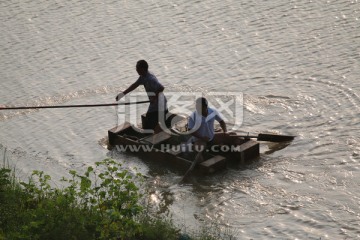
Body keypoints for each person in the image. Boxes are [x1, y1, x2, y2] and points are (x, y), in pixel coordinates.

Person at [115, 60, 168, 131]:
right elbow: (135, 85)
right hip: (154, 104)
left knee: (149, 124)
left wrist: (154, 98)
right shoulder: (143, 77)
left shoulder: (150, 79)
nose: (136, 70)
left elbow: (161, 88)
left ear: (142, 69)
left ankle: (155, 135)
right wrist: (122, 94)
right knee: (149, 122)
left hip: (159, 104)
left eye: (137, 68)